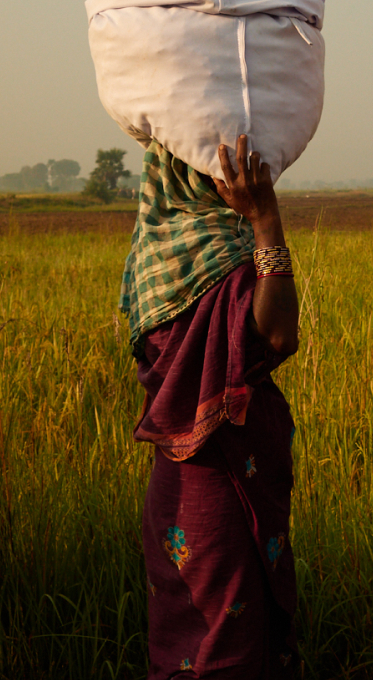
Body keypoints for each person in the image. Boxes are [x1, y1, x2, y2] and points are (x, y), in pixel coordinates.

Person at [123, 133, 300, 679]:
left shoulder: (152, 259)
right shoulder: (220, 255)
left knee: (184, 643)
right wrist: (266, 221)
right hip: (222, 487)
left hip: (176, 493)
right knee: (228, 649)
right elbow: (277, 334)